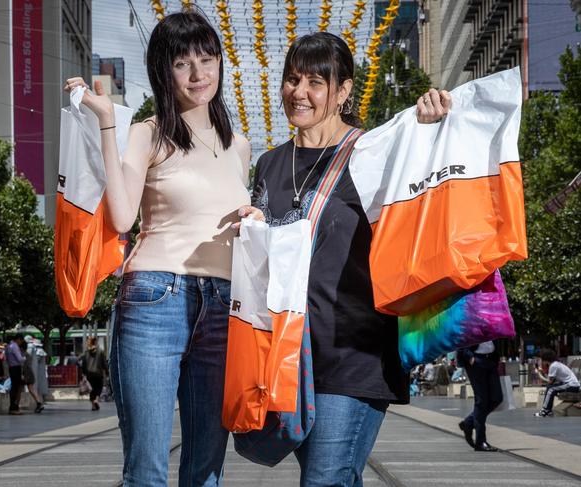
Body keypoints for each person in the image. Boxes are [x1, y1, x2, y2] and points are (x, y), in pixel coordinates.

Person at [246, 32, 448, 484]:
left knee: (324, 479)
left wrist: (433, 132)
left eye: (316, 82)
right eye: (292, 79)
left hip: (355, 351)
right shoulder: (270, 164)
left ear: (343, 91)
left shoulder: (376, 151)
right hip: (288, 356)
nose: (299, 92)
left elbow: (426, 203)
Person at [63, 10, 251, 486]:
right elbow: (123, 217)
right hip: (154, 299)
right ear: (163, 71)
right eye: (183, 63)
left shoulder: (241, 146)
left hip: (222, 307)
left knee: (206, 470)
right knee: (146, 471)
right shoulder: (147, 133)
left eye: (207, 60)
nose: (198, 73)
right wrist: (107, 121)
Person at [457, 341, 503, 452]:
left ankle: (469, 422)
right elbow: (462, 337)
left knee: (497, 398)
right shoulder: (469, 323)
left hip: (491, 359)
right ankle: (480, 442)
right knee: (481, 401)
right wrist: (469, 356)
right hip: (476, 360)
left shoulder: (491, 322)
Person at [534, 348, 580, 417]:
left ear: (546, 359)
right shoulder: (555, 364)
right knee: (551, 388)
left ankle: (545, 411)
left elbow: (550, 382)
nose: (541, 362)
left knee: (550, 389)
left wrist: (540, 374)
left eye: (541, 360)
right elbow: (552, 381)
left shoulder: (553, 366)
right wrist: (541, 372)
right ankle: (548, 410)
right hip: (570, 384)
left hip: (572, 385)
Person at [80, 336, 107, 411]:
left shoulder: (86, 352)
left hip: (89, 374)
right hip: (98, 373)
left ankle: (93, 406)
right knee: (99, 387)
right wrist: (107, 371)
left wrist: (83, 373)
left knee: (91, 390)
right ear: (95, 342)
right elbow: (104, 363)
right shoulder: (100, 351)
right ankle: (96, 400)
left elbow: (83, 364)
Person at [5, 333, 26, 415]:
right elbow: (20, 359)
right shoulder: (15, 347)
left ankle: (13, 407)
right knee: (16, 388)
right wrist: (25, 357)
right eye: (21, 341)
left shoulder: (8, 346)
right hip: (16, 368)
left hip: (11, 368)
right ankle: (14, 407)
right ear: (18, 339)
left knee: (14, 387)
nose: (21, 343)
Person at [21, 342, 44, 414]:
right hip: (30, 372)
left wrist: (22, 374)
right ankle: (38, 402)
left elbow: (23, 365)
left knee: (19, 389)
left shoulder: (23, 355)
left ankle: (38, 403)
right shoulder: (28, 354)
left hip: (26, 373)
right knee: (31, 389)